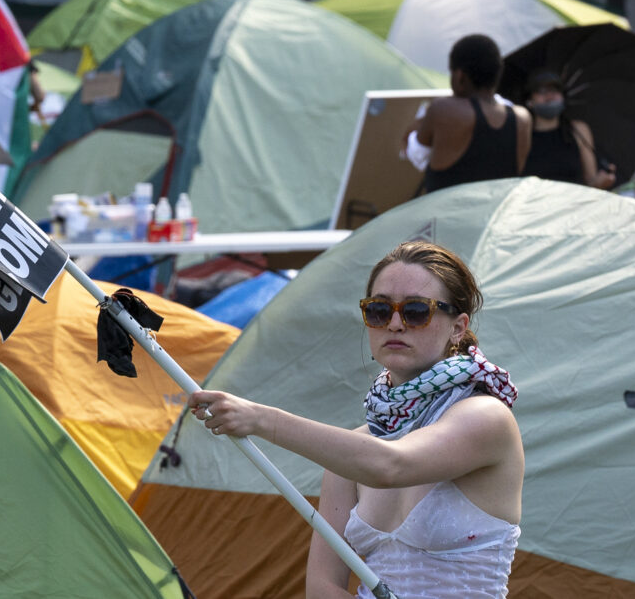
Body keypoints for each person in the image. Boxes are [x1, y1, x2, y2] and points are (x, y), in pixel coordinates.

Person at [187, 240, 524, 599]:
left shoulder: (485, 416)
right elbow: (321, 586)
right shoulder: (354, 449)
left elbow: (391, 466)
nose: (395, 324)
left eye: (415, 311)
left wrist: (261, 419)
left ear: (457, 327)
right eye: (379, 310)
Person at [413, 35, 530, 193]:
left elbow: (418, 155)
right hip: (495, 215)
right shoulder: (522, 118)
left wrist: (417, 124)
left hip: (446, 215)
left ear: (459, 76)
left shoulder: (444, 109)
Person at [519, 69, 616, 189]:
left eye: (555, 90)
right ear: (529, 101)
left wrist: (601, 181)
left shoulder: (577, 130)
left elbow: (591, 181)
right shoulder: (521, 135)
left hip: (573, 204)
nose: (550, 96)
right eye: (542, 91)